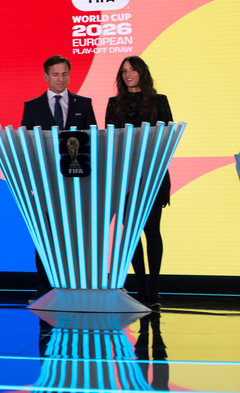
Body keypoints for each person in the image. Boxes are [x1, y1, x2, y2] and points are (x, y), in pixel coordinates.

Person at [21, 55, 97, 299]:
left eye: (64, 74)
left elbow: (94, 143)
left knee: (77, 233)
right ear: (46, 76)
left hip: (78, 181)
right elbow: (26, 146)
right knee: (46, 234)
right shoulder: (32, 107)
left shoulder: (83, 104)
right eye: (55, 74)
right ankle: (45, 288)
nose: (60, 79)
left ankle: (76, 285)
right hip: (45, 181)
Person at [104, 55, 173, 308]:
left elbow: (167, 138)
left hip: (153, 174)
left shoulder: (159, 101)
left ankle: (153, 292)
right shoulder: (114, 104)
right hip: (124, 177)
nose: (128, 74)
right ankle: (141, 289)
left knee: (152, 232)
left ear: (142, 72)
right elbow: (110, 142)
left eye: (132, 69)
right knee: (131, 235)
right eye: (124, 71)